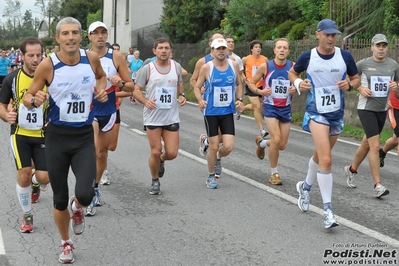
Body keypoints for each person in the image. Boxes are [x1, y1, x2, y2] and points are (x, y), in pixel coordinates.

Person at [22, 17, 108, 264]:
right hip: (57, 137)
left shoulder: (90, 59)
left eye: (75, 33)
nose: (71, 37)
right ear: (57, 38)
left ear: (81, 37)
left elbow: (101, 77)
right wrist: (34, 99)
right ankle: (66, 242)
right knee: (59, 198)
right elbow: (28, 97)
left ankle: (77, 207)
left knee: (85, 193)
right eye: (66, 33)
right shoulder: (48, 66)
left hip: (83, 137)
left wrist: (100, 89)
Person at [288, 19, 360, 229]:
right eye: (327, 34)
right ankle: (328, 211)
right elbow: (293, 72)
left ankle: (305, 187)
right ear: (318, 34)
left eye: (333, 35)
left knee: (320, 156)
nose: (330, 38)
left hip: (335, 114)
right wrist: (298, 83)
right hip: (315, 113)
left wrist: (350, 84)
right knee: (327, 159)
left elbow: (356, 79)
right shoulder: (308, 56)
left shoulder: (344, 56)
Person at [0, 37, 50, 233]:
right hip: (20, 133)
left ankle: (37, 183)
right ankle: (27, 214)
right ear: (22, 56)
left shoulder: (49, 76)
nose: (36, 59)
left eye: (39, 55)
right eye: (31, 55)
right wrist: (6, 115)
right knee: (23, 175)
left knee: (45, 177)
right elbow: (2, 106)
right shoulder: (11, 79)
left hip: (44, 134)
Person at [85, 21, 134, 215]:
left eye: (103, 32)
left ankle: (95, 186)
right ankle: (86, 193)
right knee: (92, 151)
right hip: (89, 112)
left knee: (102, 153)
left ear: (107, 35)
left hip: (108, 111)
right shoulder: (83, 57)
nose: (100, 36)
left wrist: (120, 82)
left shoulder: (116, 57)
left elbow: (131, 87)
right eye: (95, 33)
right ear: (89, 36)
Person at [343, 33, 399, 197]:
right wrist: (360, 88)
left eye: (384, 46)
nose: (381, 49)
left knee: (367, 144)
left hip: (382, 110)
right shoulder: (363, 64)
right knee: (375, 146)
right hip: (366, 109)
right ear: (372, 47)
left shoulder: (393, 65)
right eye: (378, 46)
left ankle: (351, 169)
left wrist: (396, 87)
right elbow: (347, 79)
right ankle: (377, 185)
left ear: (387, 48)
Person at [132, 37, 186, 195]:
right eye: (160, 48)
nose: (164, 51)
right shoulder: (148, 69)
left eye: (166, 48)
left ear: (171, 51)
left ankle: (162, 160)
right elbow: (135, 90)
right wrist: (145, 101)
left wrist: (181, 95)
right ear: (154, 51)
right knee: (155, 151)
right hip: (153, 117)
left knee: (172, 153)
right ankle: (155, 180)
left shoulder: (176, 67)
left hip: (171, 116)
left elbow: (179, 83)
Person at [194, 38, 243, 188]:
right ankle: (210, 177)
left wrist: (240, 99)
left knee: (228, 147)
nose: (221, 51)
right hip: (211, 113)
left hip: (227, 111)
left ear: (227, 50)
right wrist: (200, 100)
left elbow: (239, 84)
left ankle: (218, 158)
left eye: (223, 48)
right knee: (214, 146)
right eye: (218, 49)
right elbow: (197, 87)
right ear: (212, 51)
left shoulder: (233, 65)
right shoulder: (206, 68)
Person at [245, 38, 295, 185]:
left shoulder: (293, 67)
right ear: (274, 50)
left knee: (282, 145)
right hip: (270, 107)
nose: (282, 50)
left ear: (288, 51)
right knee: (277, 139)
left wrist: (296, 88)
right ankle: (274, 173)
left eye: (285, 48)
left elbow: (299, 84)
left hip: (285, 108)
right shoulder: (265, 66)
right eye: (279, 47)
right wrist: (260, 91)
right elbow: (251, 83)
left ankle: (261, 144)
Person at [191, 33, 229, 158]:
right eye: (216, 42)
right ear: (210, 45)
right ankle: (216, 159)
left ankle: (206, 141)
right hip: (209, 103)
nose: (220, 47)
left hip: (225, 104)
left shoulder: (230, 61)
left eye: (222, 42)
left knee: (223, 138)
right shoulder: (202, 62)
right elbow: (193, 80)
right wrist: (200, 91)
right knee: (217, 137)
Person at [241, 40, 269, 137]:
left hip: (262, 85)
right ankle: (261, 129)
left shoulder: (264, 59)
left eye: (259, 47)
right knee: (257, 106)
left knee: (256, 106)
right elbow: (239, 69)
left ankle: (242, 108)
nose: (258, 49)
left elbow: (268, 72)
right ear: (252, 49)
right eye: (256, 47)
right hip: (251, 85)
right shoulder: (246, 59)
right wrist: (244, 78)